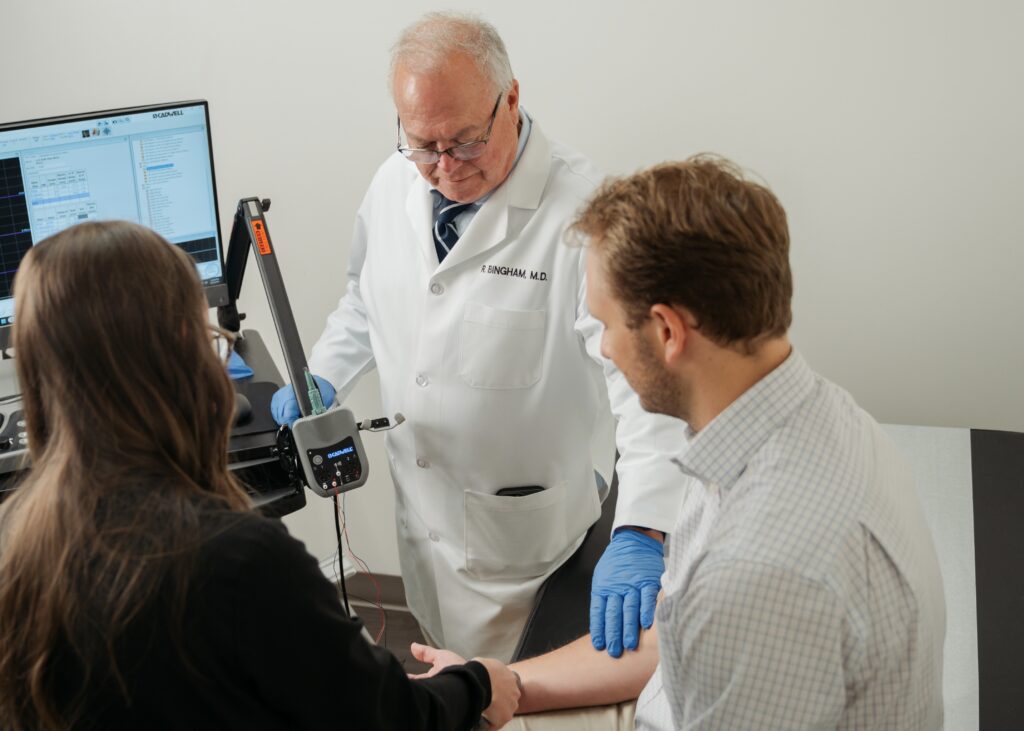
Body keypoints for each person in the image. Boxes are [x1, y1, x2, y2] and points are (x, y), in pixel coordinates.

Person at [413, 156, 947, 729]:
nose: (603, 349)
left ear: (668, 331)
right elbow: (672, 637)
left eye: (606, 325)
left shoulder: (759, 576)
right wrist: (503, 684)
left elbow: (726, 614)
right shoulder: (802, 419)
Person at [271, 12, 687, 661]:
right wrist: (323, 373)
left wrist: (642, 528)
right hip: (424, 524)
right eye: (422, 144)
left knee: (520, 690)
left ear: (510, 100)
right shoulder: (393, 183)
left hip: (523, 553)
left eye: (464, 143)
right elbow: (365, 298)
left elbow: (648, 389)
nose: (443, 167)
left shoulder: (586, 215)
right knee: (444, 673)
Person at [0, 221, 520, 730]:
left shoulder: (18, 542)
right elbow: (387, 716)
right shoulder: (240, 560)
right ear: (183, 347)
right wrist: (476, 684)